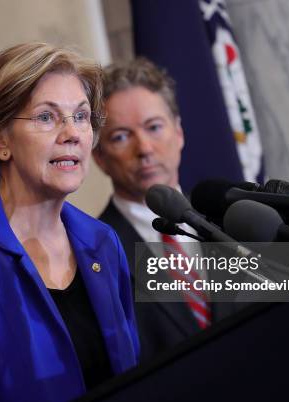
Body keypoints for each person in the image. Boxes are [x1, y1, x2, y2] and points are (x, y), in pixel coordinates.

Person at [0, 42, 139, 402]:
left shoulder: (102, 241)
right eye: (46, 117)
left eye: (81, 116)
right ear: (0, 140)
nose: (72, 133)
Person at [92, 58, 234, 362]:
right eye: (120, 136)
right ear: (99, 157)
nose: (144, 148)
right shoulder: (94, 253)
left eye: (154, 127)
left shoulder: (234, 218)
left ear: (179, 132)